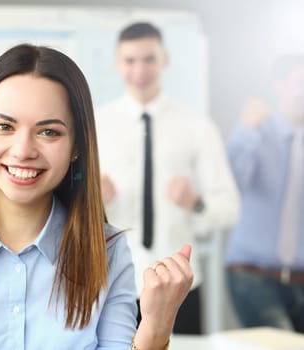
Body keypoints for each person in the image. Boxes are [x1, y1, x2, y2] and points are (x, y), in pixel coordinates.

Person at [0, 43, 193, 350]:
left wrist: (155, 328)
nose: (23, 150)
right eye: (4, 126)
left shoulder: (107, 252)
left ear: (77, 147)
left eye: (49, 132)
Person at [95, 22, 239, 334]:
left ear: (165, 60)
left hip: (181, 283)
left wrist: (196, 203)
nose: (140, 70)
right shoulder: (96, 125)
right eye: (130, 61)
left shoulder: (197, 126)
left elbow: (229, 208)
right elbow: (67, 207)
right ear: (117, 64)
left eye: (150, 59)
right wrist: (92, 196)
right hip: (114, 283)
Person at [226, 53, 304, 332]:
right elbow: (231, 185)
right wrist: (246, 129)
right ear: (278, 85)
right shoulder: (257, 132)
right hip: (253, 274)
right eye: (299, 81)